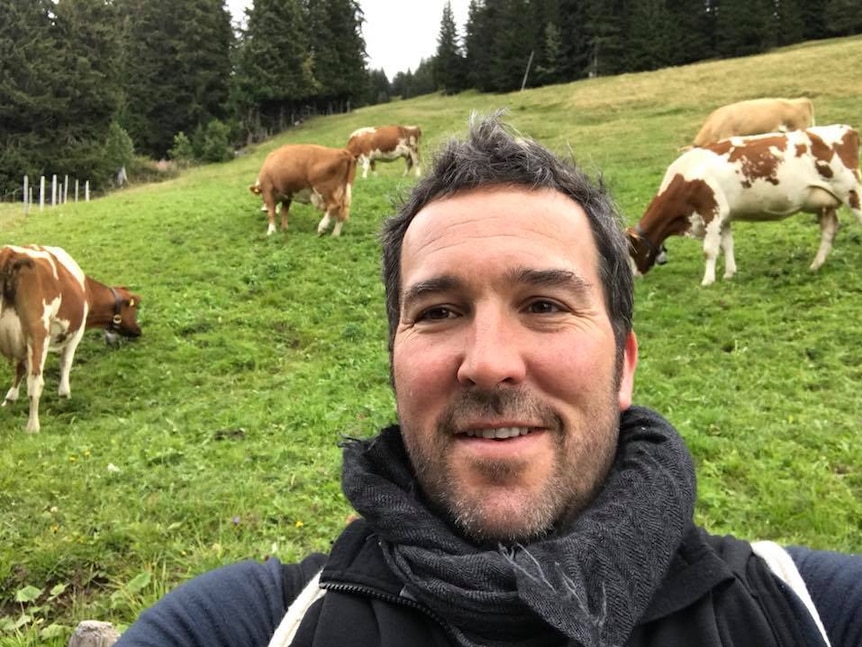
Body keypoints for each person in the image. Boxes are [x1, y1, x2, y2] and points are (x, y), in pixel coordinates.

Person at [115, 113, 861, 647]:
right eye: (438, 311)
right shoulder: (254, 622)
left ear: (625, 362)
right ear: (393, 363)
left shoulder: (809, 612)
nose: (489, 361)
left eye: (544, 304)